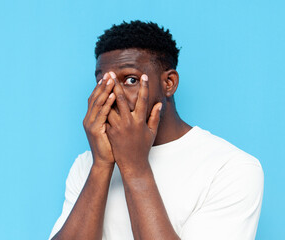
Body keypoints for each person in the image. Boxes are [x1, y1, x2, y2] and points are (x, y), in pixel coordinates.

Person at [49, 20, 264, 240]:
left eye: (130, 79)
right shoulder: (87, 164)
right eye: (102, 83)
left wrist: (135, 166)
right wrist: (102, 165)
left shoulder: (230, 168)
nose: (112, 96)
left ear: (169, 83)